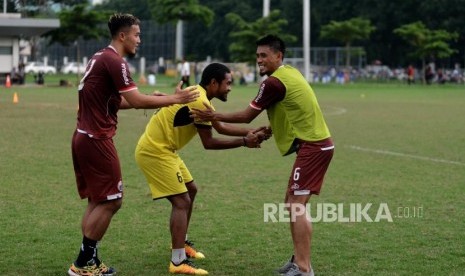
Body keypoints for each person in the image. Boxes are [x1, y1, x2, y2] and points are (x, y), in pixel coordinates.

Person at [190, 35, 334, 276]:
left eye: (264, 55)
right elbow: (291, 110)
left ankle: (304, 268)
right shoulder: (291, 73)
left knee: (296, 206)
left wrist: (213, 116)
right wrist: (271, 129)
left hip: (314, 147)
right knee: (292, 203)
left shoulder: (273, 83)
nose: (259, 60)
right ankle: (298, 259)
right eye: (257, 56)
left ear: (278, 56)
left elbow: (247, 116)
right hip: (315, 146)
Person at [68, 13, 199, 276]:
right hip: (97, 139)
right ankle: (83, 264)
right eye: (137, 35)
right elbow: (137, 101)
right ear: (122, 35)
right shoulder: (116, 62)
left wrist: (157, 98)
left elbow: (121, 101)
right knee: (112, 201)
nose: (139, 40)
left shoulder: (99, 57)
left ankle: (87, 261)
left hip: (84, 136)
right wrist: (175, 98)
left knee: (98, 201)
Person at [135, 62, 271, 275]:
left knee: (191, 190)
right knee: (182, 202)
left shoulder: (199, 95)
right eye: (227, 83)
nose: (230, 87)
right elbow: (209, 142)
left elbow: (220, 126)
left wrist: (252, 131)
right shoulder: (198, 99)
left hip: (165, 150)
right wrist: (245, 141)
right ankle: (178, 262)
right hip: (155, 151)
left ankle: (181, 243)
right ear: (214, 83)